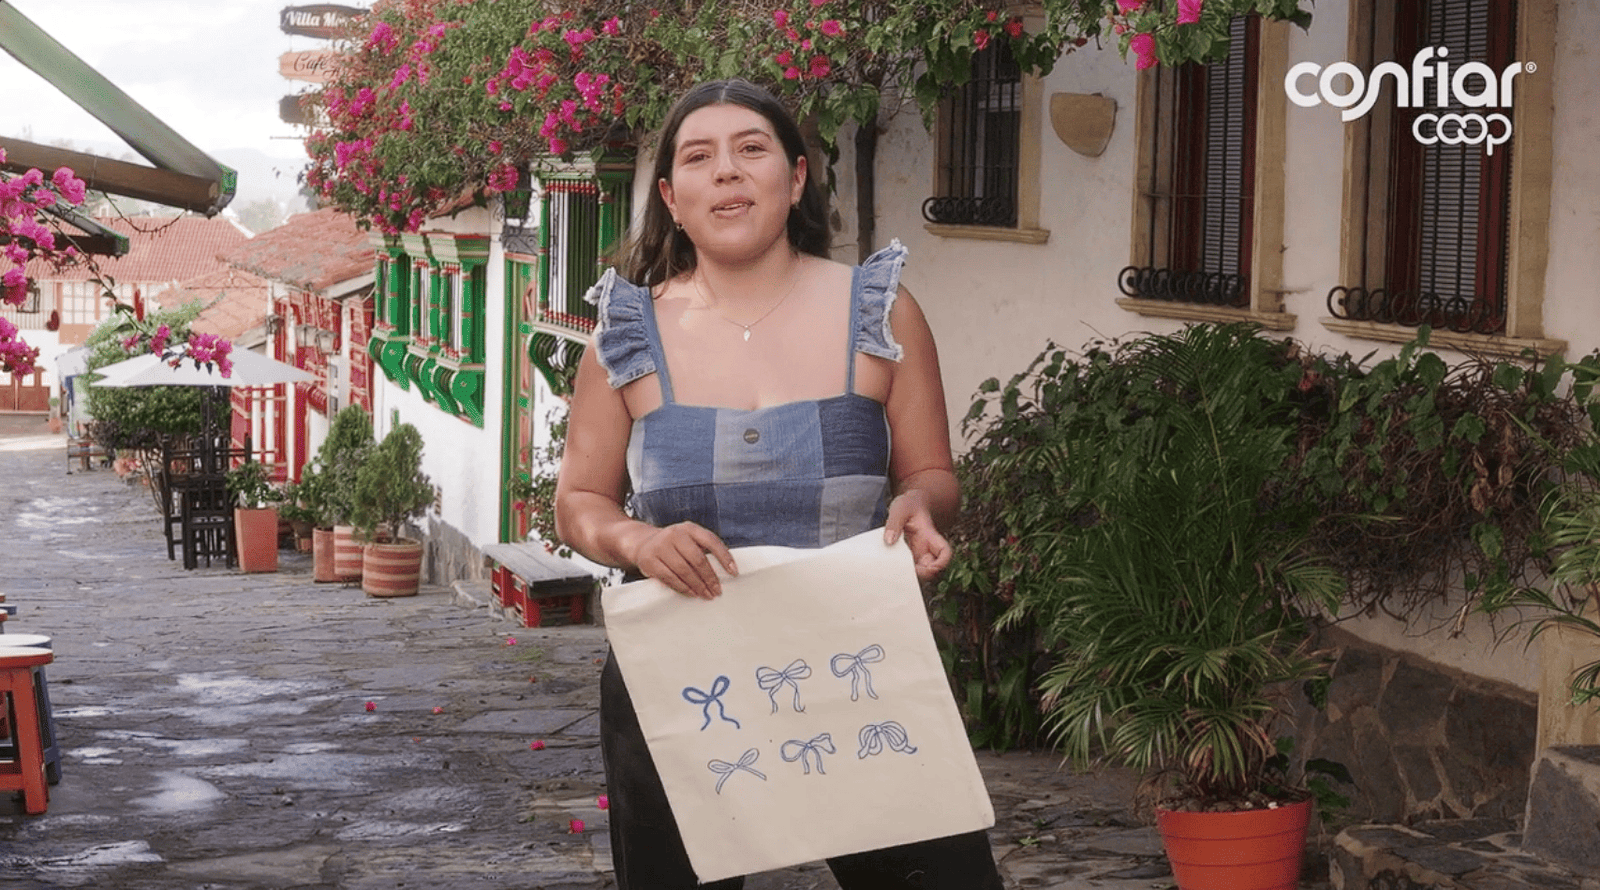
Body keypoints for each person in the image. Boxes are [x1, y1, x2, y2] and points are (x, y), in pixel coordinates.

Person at [555, 79, 1001, 890]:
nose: (727, 172)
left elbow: (931, 473)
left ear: (796, 180)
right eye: (699, 157)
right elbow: (579, 502)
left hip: (858, 668)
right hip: (685, 684)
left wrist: (920, 506)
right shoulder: (624, 337)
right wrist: (637, 540)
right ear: (671, 197)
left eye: (751, 149)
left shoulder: (883, 313)